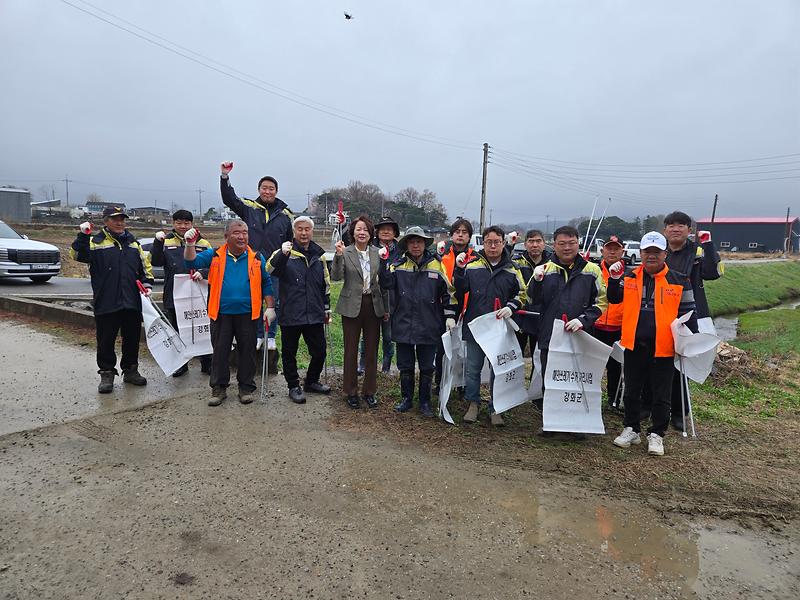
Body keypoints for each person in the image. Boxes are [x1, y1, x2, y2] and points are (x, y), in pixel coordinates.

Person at [608, 232, 697, 456]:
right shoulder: (629, 275)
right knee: (631, 391)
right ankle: (631, 429)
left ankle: (657, 434)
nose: (651, 256)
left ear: (665, 254)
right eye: (647, 251)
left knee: (661, 395)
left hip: (664, 347)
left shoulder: (679, 279)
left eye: (656, 252)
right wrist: (614, 279)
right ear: (641, 253)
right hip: (633, 344)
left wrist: (688, 344)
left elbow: (689, 315)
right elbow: (614, 298)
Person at [184, 219, 276, 406]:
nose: (242, 237)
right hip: (221, 314)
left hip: (249, 313)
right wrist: (189, 244)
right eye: (236, 233)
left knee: (248, 352)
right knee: (220, 352)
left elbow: (266, 282)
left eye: (245, 232)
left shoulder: (257, 257)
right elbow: (191, 261)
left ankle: (246, 387)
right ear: (226, 236)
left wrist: (270, 307)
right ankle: (219, 388)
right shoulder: (214, 255)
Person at [526, 225, 606, 436]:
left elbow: (601, 302)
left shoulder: (592, 270)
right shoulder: (545, 269)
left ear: (578, 243)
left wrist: (583, 320)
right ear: (554, 245)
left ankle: (576, 424)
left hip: (581, 335)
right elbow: (531, 299)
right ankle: (551, 422)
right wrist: (536, 281)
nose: (567, 248)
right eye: (562, 244)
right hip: (550, 334)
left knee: (577, 379)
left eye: (571, 243)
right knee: (551, 379)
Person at [70, 206, 154, 393]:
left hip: (131, 301)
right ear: (106, 221)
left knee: (132, 339)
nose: (119, 222)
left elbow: (145, 268)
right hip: (106, 300)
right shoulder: (96, 242)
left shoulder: (133, 243)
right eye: (115, 219)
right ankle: (107, 374)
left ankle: (131, 370)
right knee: (106, 341)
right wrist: (83, 236)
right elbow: (76, 255)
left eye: (122, 219)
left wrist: (147, 284)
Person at [219, 162, 293, 373]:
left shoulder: (285, 214)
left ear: (276, 191)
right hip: (250, 264)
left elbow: (291, 240)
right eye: (264, 188)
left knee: (273, 301)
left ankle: (270, 336)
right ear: (259, 190)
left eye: (271, 189)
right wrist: (224, 177)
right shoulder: (249, 208)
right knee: (252, 302)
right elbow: (229, 199)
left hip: (275, 267)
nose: (268, 191)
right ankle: (257, 335)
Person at [379, 226, 458, 416]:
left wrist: (449, 316)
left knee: (427, 366)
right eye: (412, 242)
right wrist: (383, 263)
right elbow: (385, 284)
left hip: (429, 323)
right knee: (405, 365)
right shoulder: (397, 265)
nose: (415, 245)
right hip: (403, 322)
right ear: (406, 245)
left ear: (424, 244)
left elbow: (448, 293)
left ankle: (425, 402)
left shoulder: (436, 265)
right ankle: (406, 399)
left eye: (419, 242)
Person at [453, 225, 526, 426]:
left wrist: (511, 307)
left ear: (503, 243)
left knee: (498, 369)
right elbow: (459, 290)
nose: (493, 246)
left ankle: (496, 407)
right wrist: (459, 270)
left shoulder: (512, 268)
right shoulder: (472, 265)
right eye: (488, 242)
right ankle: (473, 403)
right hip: (476, 326)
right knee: (473, 368)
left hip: (500, 329)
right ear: (482, 243)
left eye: (497, 242)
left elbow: (523, 293)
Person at [662, 211, 723, 430]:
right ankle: (653, 406)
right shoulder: (660, 251)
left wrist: (708, 245)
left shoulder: (697, 251)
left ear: (689, 230)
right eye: (671, 225)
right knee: (658, 363)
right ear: (665, 230)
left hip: (689, 314)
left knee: (683, 365)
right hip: (662, 313)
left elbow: (713, 272)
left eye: (681, 225)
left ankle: (679, 412)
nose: (675, 229)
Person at [267, 216, 331, 404]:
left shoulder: (319, 255)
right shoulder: (284, 252)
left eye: (307, 229)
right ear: (294, 232)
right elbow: (269, 270)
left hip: (314, 312)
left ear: (312, 231)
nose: (304, 233)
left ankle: (311, 381)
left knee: (320, 351)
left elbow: (326, 283)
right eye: (300, 229)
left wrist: (326, 308)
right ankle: (293, 386)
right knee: (289, 353)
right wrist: (282, 254)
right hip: (291, 312)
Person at [331, 216, 389, 409]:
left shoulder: (378, 253)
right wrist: (338, 256)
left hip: (373, 304)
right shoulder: (345, 251)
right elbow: (336, 277)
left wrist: (386, 308)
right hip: (351, 305)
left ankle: (369, 391)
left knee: (372, 350)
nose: (362, 232)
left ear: (371, 233)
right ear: (353, 233)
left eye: (365, 229)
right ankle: (351, 391)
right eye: (358, 229)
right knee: (350, 350)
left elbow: (385, 282)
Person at [150, 209, 213, 377]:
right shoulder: (166, 241)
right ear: (173, 223)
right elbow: (156, 262)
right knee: (177, 329)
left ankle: (207, 362)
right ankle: (181, 364)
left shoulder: (203, 243)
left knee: (203, 327)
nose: (183, 226)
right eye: (179, 223)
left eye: (186, 223)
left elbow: (215, 265)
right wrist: (157, 243)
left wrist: (204, 272)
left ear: (192, 224)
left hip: (200, 293)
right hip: (174, 293)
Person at [433, 217, 477, 392]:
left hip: (467, 306)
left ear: (469, 237)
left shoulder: (475, 257)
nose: (460, 235)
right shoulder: (442, 255)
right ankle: (439, 382)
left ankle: (461, 384)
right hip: (443, 306)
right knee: (442, 347)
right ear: (451, 235)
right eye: (457, 232)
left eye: (464, 232)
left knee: (464, 348)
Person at [359, 215, 401, 375]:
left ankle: (386, 367)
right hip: (372, 297)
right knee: (367, 334)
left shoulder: (400, 250)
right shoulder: (369, 247)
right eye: (382, 229)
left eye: (389, 229)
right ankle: (364, 365)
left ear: (395, 232)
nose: (385, 231)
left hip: (392, 297)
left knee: (389, 336)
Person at [590, 235, 628, 406]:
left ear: (622, 251)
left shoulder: (630, 274)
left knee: (615, 366)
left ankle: (614, 398)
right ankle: (590, 396)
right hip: (595, 325)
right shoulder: (593, 271)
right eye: (609, 248)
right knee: (592, 364)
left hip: (618, 327)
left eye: (616, 248)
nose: (612, 252)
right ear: (602, 250)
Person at [512, 229, 552, 355]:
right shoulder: (516, 262)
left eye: (538, 241)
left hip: (542, 317)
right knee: (516, 355)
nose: (535, 245)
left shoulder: (552, 264)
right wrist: (508, 245)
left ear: (544, 244)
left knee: (539, 358)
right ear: (525, 244)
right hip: (519, 316)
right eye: (531, 241)